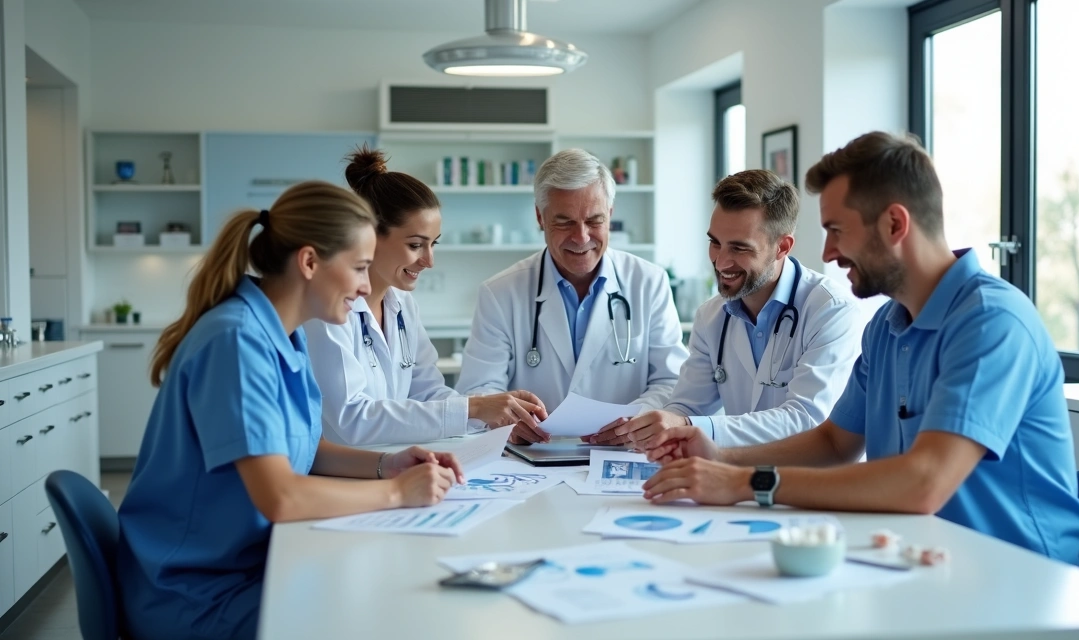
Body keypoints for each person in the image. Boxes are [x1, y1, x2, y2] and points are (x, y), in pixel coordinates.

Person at [639, 132, 1079, 567]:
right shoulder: (887, 326)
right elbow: (834, 442)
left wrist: (745, 482)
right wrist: (720, 458)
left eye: (837, 230)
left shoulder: (991, 322)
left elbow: (924, 482)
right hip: (920, 554)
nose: (830, 252)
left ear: (895, 224)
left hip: (1017, 573)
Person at [116, 181, 466, 640]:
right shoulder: (236, 341)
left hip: (243, 564)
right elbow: (280, 496)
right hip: (194, 593)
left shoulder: (286, 334)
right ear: (308, 262)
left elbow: (308, 450)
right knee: (378, 612)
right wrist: (398, 494)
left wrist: (387, 464)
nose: (366, 286)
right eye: (360, 267)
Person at [591, 170, 863, 448]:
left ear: (782, 246)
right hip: (741, 478)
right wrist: (643, 426)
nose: (721, 262)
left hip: (813, 484)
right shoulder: (711, 316)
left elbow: (805, 420)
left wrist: (686, 426)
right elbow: (686, 407)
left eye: (739, 248)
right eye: (715, 243)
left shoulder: (830, 311)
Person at [303, 147, 548, 445]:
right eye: (416, 245)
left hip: (394, 465)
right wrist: (476, 408)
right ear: (369, 235)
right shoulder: (327, 310)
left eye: (433, 244)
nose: (429, 261)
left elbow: (428, 391)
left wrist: (492, 416)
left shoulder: (402, 304)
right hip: (341, 476)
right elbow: (353, 419)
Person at [455, 148, 688, 444]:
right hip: (534, 456)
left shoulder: (649, 282)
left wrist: (630, 422)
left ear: (611, 215)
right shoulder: (500, 292)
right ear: (540, 217)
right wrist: (503, 418)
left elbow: (671, 381)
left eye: (594, 220)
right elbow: (479, 390)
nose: (581, 237)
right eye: (564, 222)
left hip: (624, 452)